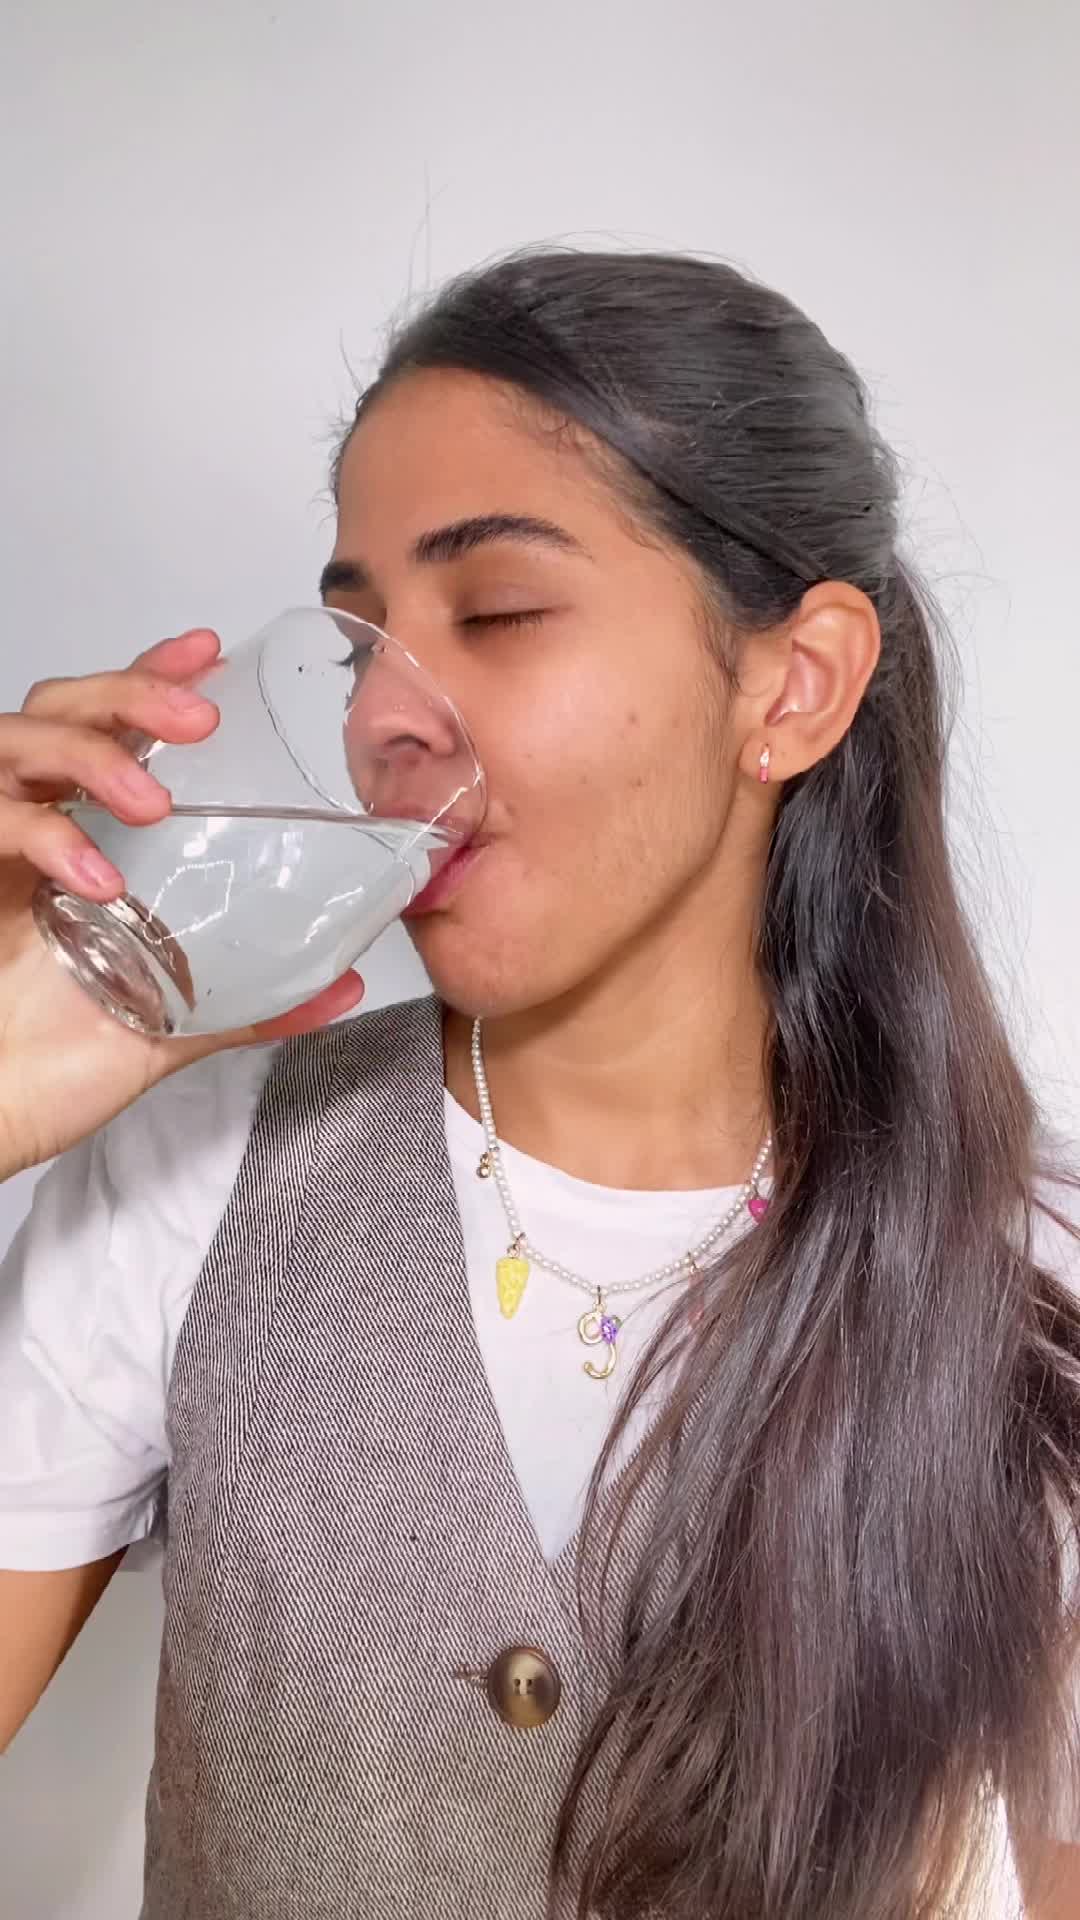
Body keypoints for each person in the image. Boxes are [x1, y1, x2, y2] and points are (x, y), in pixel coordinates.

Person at [1, 248, 1078, 1920]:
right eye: (360, 642)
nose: (386, 721)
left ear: (793, 684)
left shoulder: (1035, 1272)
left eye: (497, 612)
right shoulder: (194, 1172)